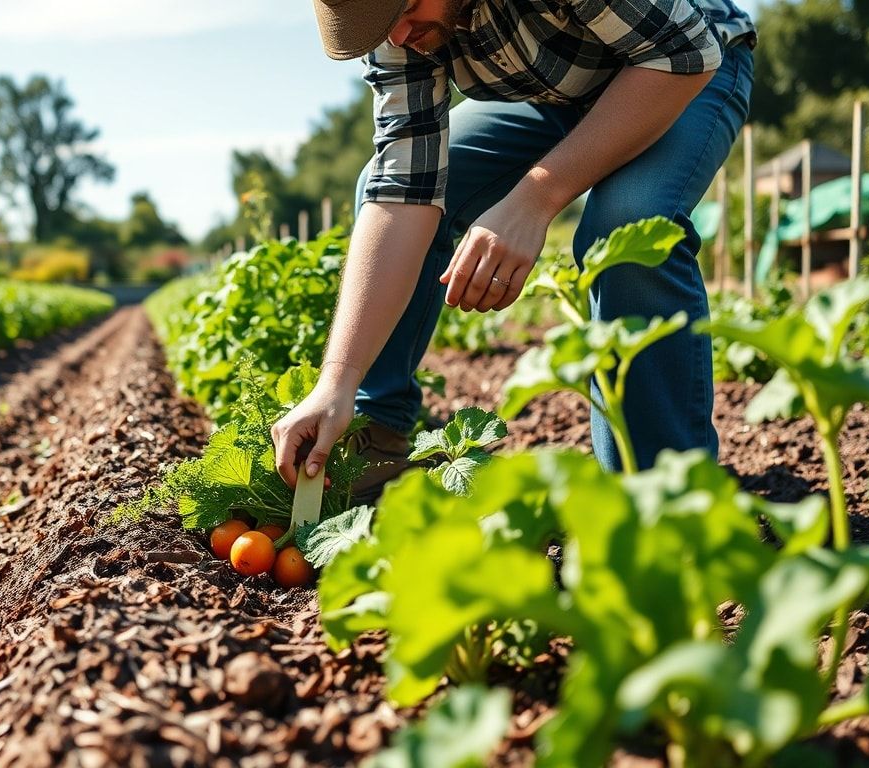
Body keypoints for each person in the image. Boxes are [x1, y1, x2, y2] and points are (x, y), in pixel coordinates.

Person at [271, 0, 755, 499]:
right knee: (380, 182)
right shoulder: (395, 31)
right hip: (549, 88)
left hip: (678, 64)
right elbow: (402, 190)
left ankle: (666, 496)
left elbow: (682, 55)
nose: (397, 35)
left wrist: (534, 200)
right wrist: (337, 379)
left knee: (627, 230)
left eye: (409, 6)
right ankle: (374, 436)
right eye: (379, 28)